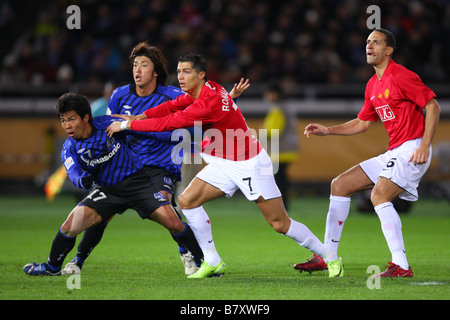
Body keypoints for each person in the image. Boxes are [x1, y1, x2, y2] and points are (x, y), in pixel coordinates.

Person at [106, 53, 343, 278]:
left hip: (249, 163)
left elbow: (169, 122)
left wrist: (127, 126)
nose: (180, 76)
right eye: (178, 71)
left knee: (280, 223)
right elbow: (172, 106)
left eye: (186, 72)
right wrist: (140, 117)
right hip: (223, 162)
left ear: (201, 75)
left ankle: (330, 258)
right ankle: (212, 261)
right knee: (187, 201)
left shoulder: (205, 103)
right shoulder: (211, 89)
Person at [62, 42, 249, 276]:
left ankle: (189, 254)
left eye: (144, 65)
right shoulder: (119, 95)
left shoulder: (172, 96)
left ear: (156, 72)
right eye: (135, 65)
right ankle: (77, 261)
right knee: (101, 214)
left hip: (160, 166)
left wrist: (230, 98)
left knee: (166, 209)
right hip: (124, 167)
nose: (137, 70)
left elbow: (208, 110)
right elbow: (108, 129)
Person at [294, 28, 440, 277]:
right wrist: (328, 131)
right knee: (340, 185)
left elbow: (432, 106)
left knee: (379, 195)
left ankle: (401, 265)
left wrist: (425, 145)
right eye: (367, 42)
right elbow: (362, 123)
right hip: (395, 150)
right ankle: (328, 256)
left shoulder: (401, 76)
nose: (369, 46)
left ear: (389, 50)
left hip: (412, 147)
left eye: (376, 42)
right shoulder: (372, 85)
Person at [24, 92, 203, 276]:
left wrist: (176, 138)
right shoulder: (70, 148)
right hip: (107, 192)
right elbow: (73, 172)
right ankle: (52, 267)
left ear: (85, 117)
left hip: (138, 184)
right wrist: (82, 180)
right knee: (70, 225)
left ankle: (204, 263)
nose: (67, 126)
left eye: (71, 119)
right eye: (63, 121)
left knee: (174, 222)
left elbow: (143, 128)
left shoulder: (109, 123)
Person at [263, 82, 299, 211]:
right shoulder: (287, 107)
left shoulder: (278, 109)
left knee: (278, 180)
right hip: (288, 149)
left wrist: (257, 136)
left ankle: (280, 206)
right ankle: (283, 205)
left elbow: (273, 130)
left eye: (269, 93)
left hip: (280, 150)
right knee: (281, 178)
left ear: (275, 94)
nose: (267, 96)